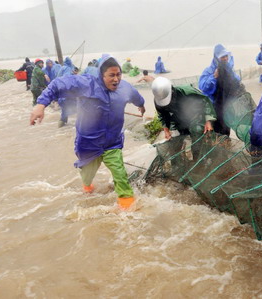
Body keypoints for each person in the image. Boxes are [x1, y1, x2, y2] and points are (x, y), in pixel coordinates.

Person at [30, 54, 146, 211]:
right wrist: (41, 104)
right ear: (101, 75)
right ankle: (87, 190)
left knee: (120, 175)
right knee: (87, 177)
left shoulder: (125, 87)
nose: (116, 79)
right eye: (111, 75)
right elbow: (58, 84)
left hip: (112, 142)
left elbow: (136, 96)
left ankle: (128, 210)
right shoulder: (86, 84)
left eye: (118, 74)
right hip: (89, 143)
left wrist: (141, 105)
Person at [151, 77, 216, 160]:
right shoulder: (158, 101)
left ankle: (198, 161)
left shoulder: (187, 92)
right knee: (174, 140)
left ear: (172, 90)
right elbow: (163, 115)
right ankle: (178, 164)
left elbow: (206, 101)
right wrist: (166, 130)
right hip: (178, 118)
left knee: (197, 133)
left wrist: (208, 120)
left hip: (195, 115)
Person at [199, 44, 241, 136]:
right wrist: (214, 77)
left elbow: (237, 82)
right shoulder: (209, 71)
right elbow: (203, 87)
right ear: (216, 58)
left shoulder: (229, 70)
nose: (225, 58)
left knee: (226, 131)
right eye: (222, 57)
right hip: (214, 109)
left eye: (226, 56)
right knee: (216, 133)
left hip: (227, 108)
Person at [56, 57, 77, 127]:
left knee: (64, 114)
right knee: (80, 111)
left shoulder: (62, 68)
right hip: (68, 95)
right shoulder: (68, 69)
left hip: (61, 95)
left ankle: (59, 129)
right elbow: (68, 81)